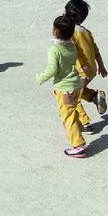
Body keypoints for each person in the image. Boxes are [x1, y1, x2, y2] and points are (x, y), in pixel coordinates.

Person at [35, 15, 86, 158]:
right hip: (75, 85)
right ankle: (77, 128)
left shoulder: (54, 50)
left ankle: (78, 145)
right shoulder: (72, 46)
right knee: (71, 112)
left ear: (55, 31)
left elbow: (52, 69)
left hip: (64, 89)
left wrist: (40, 78)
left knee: (67, 116)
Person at [65, 0, 108, 134]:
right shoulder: (87, 32)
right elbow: (96, 51)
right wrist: (101, 67)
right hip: (91, 70)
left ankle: (85, 123)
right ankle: (94, 96)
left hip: (81, 71)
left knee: (72, 96)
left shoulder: (71, 33)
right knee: (79, 91)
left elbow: (68, 51)